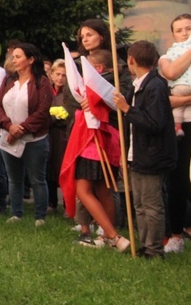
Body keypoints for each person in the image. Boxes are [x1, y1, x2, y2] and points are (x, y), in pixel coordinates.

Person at [114, 40, 177, 258]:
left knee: (151, 205)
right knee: (139, 204)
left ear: (131, 60)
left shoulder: (155, 86)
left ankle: (155, 249)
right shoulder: (138, 85)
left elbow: (155, 123)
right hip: (138, 153)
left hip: (153, 155)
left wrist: (127, 109)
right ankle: (145, 243)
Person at [61, 49, 129, 251]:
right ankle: (109, 235)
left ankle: (113, 236)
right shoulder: (108, 86)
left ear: (98, 68)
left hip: (92, 144)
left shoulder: (100, 86)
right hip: (105, 143)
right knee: (103, 189)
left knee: (83, 190)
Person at [0, 43, 53, 227]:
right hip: (8, 136)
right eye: (13, 56)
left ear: (31, 59)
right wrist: (8, 126)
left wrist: (21, 129)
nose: (14, 60)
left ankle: (40, 216)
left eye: (18, 56)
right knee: (14, 177)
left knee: (37, 179)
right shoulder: (9, 80)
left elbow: (43, 112)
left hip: (34, 139)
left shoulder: (41, 82)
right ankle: (16, 213)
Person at [158, 13, 191, 251]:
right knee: (177, 180)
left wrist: (181, 100)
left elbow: (176, 98)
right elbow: (171, 73)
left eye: (189, 28)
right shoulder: (167, 56)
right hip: (178, 127)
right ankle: (176, 234)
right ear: (173, 34)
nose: (184, 33)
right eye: (179, 30)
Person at [47, 59, 68, 212]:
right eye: (57, 74)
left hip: (63, 133)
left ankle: (68, 204)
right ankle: (51, 203)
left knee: (63, 167)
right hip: (48, 133)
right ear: (52, 75)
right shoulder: (47, 91)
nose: (60, 78)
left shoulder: (70, 93)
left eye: (64, 75)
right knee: (48, 167)